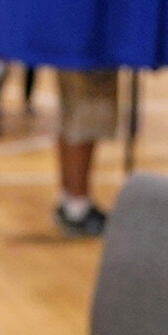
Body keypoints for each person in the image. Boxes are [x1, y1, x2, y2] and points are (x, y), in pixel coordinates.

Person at [52, 68, 118, 236]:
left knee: (73, 109)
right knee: (88, 109)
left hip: (73, 51)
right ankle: (77, 205)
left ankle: (70, 201)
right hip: (88, 53)